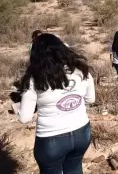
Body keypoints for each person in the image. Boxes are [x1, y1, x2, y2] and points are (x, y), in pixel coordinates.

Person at [17, 33, 95, 174]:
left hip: (51, 141)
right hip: (82, 133)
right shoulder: (81, 70)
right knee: (74, 169)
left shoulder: (34, 79)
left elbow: (24, 118)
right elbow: (91, 100)